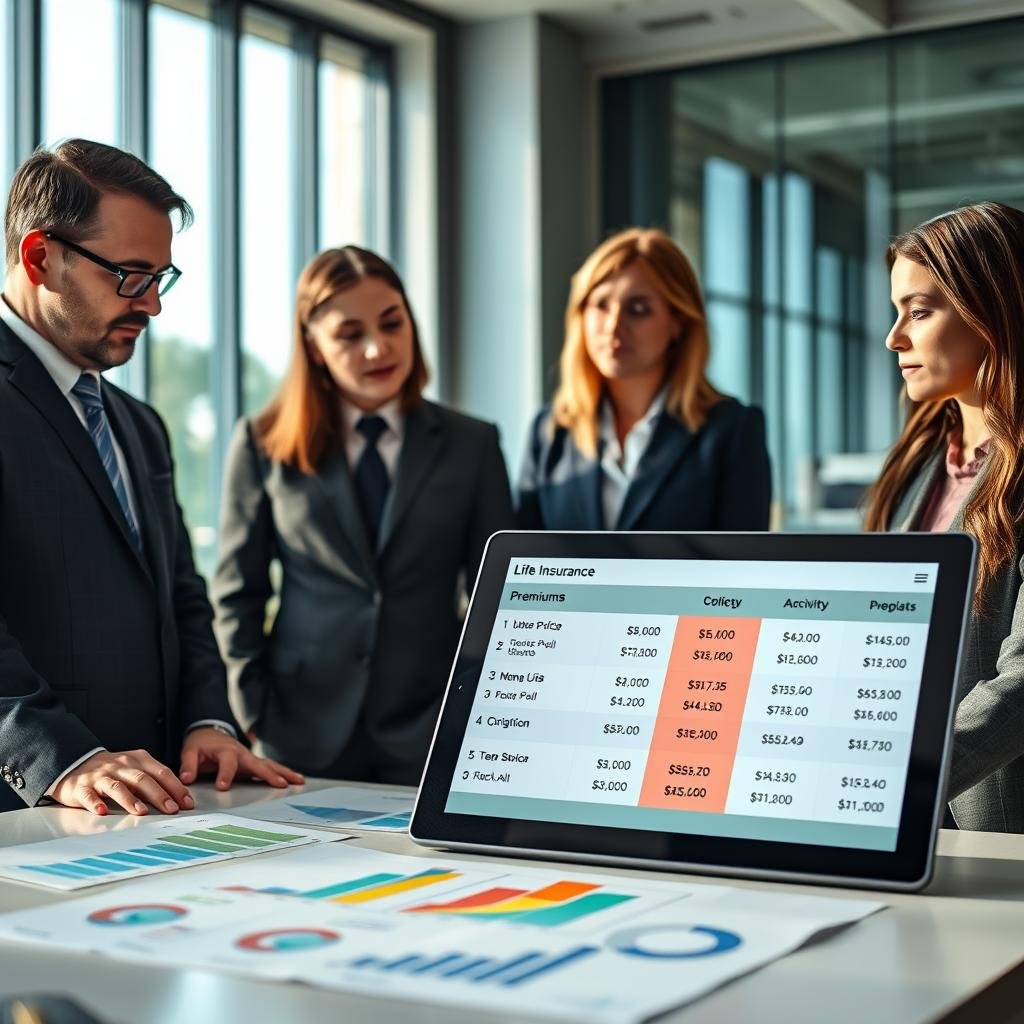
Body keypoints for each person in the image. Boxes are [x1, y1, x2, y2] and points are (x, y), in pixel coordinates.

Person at [0, 139, 304, 816]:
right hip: (28, 819)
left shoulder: (138, 425)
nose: (153, 306)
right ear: (40, 257)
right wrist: (65, 760)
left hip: (155, 814)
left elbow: (183, 600)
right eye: (130, 276)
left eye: (161, 278)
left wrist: (210, 724)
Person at [212, 245, 515, 785]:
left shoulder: (473, 444)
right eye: (350, 335)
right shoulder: (262, 443)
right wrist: (251, 707)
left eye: (392, 323)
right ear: (315, 346)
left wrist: (480, 707)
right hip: (296, 728)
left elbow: (498, 594)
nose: (379, 348)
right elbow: (238, 589)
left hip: (432, 725)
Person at [864, 201, 1024, 833]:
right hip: (900, 814)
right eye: (896, 312)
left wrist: (900, 780)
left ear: (992, 312)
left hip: (996, 828)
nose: (894, 338)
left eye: (920, 312)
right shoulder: (917, 466)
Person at [517, 227, 771, 531]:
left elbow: (743, 569)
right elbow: (522, 563)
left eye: (638, 309)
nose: (613, 327)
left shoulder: (732, 431)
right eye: (600, 306)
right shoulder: (550, 432)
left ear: (678, 322)